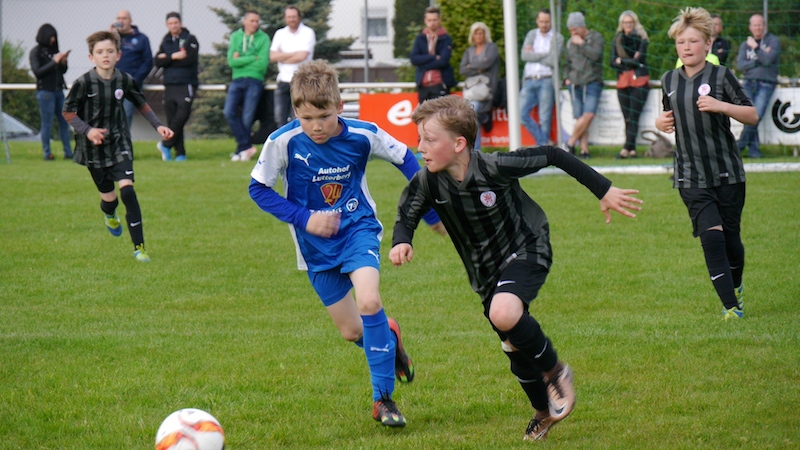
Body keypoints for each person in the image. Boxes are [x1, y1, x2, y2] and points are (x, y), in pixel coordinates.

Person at [390, 95, 642, 440]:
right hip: (484, 273)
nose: (420, 148)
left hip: (527, 248)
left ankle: (556, 372)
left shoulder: (495, 167)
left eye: (430, 140)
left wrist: (604, 190)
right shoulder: (427, 181)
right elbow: (407, 213)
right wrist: (402, 240)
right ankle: (542, 412)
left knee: (504, 313)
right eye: (419, 139)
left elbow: (553, 154)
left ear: (459, 144)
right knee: (512, 345)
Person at [248, 60, 445, 428]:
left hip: (358, 230)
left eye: (324, 116)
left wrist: (431, 215)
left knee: (369, 301)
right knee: (352, 332)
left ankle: (383, 400)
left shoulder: (362, 134)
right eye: (307, 118)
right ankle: (389, 338)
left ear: (339, 106)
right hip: (314, 248)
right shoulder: (282, 142)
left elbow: (405, 158)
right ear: (295, 112)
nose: (316, 126)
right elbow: (258, 188)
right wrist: (305, 218)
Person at [655, 7, 757, 320]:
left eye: (693, 41)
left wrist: (721, 106)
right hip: (690, 174)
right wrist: (660, 122)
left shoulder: (721, 76)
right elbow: (666, 116)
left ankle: (736, 284)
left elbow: (752, 115)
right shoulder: (668, 80)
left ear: (708, 44)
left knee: (731, 240)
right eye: (680, 42)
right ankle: (731, 308)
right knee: (711, 237)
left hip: (727, 172)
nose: (686, 47)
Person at [63, 30, 173, 262]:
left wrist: (158, 126)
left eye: (110, 51)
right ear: (91, 57)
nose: (105, 55)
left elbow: (141, 103)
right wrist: (88, 131)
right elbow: (68, 112)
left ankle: (139, 248)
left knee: (128, 192)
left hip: (119, 142)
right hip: (93, 148)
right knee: (109, 199)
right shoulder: (83, 83)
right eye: (100, 52)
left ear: (118, 55)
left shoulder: (124, 80)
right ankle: (110, 213)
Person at [225, 10, 270, 162]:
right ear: (244, 21)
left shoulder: (263, 38)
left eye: (257, 21)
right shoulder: (236, 37)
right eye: (251, 21)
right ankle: (246, 147)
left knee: (247, 117)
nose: (255, 24)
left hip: (255, 80)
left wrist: (241, 59)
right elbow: (231, 61)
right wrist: (252, 58)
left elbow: (262, 64)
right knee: (229, 112)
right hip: (237, 79)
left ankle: (241, 151)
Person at [154, 12, 199, 162]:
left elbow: (189, 60)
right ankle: (180, 153)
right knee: (172, 118)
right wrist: (174, 56)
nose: (173, 26)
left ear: (180, 23)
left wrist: (167, 58)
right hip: (169, 83)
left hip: (186, 82)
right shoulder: (166, 40)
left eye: (176, 23)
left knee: (182, 115)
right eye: (170, 23)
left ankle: (166, 144)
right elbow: (157, 61)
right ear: (167, 25)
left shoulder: (190, 39)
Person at [736, 14, 781, 159]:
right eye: (754, 25)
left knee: (756, 116)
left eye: (760, 24)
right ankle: (754, 152)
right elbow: (740, 65)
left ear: (765, 26)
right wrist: (757, 61)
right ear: (750, 27)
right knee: (749, 115)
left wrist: (756, 48)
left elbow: (768, 60)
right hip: (748, 83)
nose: (757, 27)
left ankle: (739, 146)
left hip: (766, 83)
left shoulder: (773, 41)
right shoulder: (745, 44)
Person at [562, 12, 604, 159]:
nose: (573, 33)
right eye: (570, 31)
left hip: (592, 82)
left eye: (575, 30)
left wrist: (582, 44)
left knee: (589, 114)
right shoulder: (569, 42)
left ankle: (570, 143)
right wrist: (566, 78)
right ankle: (584, 150)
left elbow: (596, 56)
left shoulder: (596, 37)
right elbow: (566, 62)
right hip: (575, 84)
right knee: (579, 118)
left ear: (582, 26)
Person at [29, 23, 73, 161]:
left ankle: (68, 152)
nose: (53, 40)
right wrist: (54, 62)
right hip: (45, 92)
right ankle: (47, 153)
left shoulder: (55, 51)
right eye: (50, 37)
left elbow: (62, 72)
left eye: (54, 37)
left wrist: (63, 62)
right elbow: (38, 72)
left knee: (64, 122)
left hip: (58, 91)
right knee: (47, 123)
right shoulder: (36, 52)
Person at [519, 8, 563, 146]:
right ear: (537, 21)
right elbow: (524, 56)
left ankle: (543, 149)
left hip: (547, 79)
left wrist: (534, 55)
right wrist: (545, 54)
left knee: (545, 117)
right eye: (542, 21)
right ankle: (545, 143)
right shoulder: (531, 34)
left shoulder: (557, 37)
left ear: (551, 21)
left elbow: (553, 60)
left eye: (547, 21)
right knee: (520, 113)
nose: (544, 24)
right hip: (529, 79)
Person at [610, 10, 650, 159]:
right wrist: (630, 61)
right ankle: (632, 149)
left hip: (639, 80)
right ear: (621, 24)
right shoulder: (617, 39)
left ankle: (626, 148)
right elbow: (612, 62)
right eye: (625, 23)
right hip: (623, 81)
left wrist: (622, 61)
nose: (628, 25)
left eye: (630, 22)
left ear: (635, 23)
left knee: (634, 115)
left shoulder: (641, 39)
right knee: (626, 116)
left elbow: (639, 60)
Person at [269, 5, 316, 128]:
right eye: (289, 17)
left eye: (294, 17)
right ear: (285, 18)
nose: (291, 19)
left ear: (299, 17)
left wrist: (282, 56)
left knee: (298, 117)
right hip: (283, 81)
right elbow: (273, 56)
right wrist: (294, 53)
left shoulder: (308, 32)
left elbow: (302, 56)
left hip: (302, 81)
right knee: (279, 118)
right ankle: (283, 141)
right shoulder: (280, 33)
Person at [459, 22, 500, 150]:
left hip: (486, 90)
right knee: (468, 116)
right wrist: (479, 69)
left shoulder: (492, 48)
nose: (478, 36)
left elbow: (486, 64)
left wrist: (471, 67)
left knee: (472, 112)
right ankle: (472, 150)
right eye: (476, 33)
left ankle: (475, 151)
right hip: (471, 91)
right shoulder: (469, 50)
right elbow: (462, 69)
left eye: (481, 33)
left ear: (485, 34)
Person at [111, 10, 153, 126]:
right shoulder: (113, 39)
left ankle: (123, 138)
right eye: (118, 18)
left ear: (130, 20)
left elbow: (148, 61)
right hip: (112, 82)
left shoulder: (141, 38)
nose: (121, 21)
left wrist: (135, 79)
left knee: (125, 114)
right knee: (110, 115)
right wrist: (110, 34)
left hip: (130, 85)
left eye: (124, 18)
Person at [410, 6, 456, 104]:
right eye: (429, 20)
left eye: (434, 20)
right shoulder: (420, 39)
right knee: (424, 113)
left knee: (440, 112)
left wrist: (423, 64)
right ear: (425, 21)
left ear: (439, 20)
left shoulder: (446, 39)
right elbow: (414, 58)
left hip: (439, 84)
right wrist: (433, 57)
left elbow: (443, 61)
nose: (432, 23)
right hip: (423, 85)